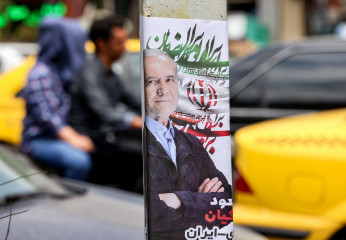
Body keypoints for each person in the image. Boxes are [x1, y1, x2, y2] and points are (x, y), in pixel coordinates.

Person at [144, 49, 232, 239]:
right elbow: (151, 219)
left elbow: (226, 209)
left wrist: (178, 200)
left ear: (177, 84)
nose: (163, 89)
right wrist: (201, 204)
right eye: (152, 81)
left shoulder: (191, 142)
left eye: (169, 80)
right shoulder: (138, 142)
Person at [68, 16, 142, 192]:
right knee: (143, 157)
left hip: (108, 137)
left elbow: (134, 100)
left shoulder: (111, 75)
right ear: (101, 43)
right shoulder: (90, 73)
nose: (123, 47)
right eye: (119, 42)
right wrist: (138, 121)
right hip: (93, 140)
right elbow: (105, 112)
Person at [20, 17, 93, 181]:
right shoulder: (41, 73)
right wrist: (75, 139)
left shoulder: (60, 72)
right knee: (79, 161)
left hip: (56, 136)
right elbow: (49, 118)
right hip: (39, 140)